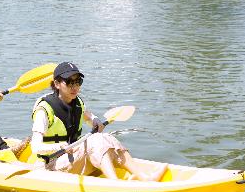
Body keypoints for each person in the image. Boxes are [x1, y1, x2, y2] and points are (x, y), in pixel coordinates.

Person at [30, 62, 167, 181]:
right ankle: (115, 183)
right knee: (95, 140)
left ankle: (145, 177)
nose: (75, 87)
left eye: (78, 82)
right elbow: (35, 147)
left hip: (71, 159)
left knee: (106, 137)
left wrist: (95, 121)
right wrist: (59, 146)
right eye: (69, 82)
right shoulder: (44, 110)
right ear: (57, 84)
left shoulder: (77, 102)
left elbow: (87, 115)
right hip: (51, 165)